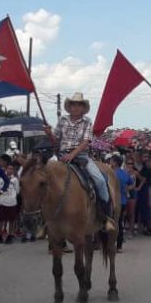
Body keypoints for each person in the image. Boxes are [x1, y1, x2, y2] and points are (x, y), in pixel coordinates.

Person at [43, 92, 117, 231]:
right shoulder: (63, 120)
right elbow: (55, 140)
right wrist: (49, 134)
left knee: (100, 180)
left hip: (81, 157)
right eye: (73, 104)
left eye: (79, 105)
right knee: (43, 180)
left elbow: (85, 142)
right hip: (62, 157)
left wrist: (72, 154)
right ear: (69, 107)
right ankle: (46, 221)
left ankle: (106, 217)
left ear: (83, 108)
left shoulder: (87, 121)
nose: (76, 107)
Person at [111, 154, 134, 252]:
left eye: (111, 161)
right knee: (120, 223)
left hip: (113, 202)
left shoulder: (111, 173)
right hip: (123, 201)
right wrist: (126, 189)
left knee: (111, 223)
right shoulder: (124, 173)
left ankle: (111, 243)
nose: (110, 162)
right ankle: (119, 246)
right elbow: (132, 183)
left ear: (115, 163)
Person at [0, 164, 20, 245]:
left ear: (13, 170)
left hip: (12, 202)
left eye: (11, 169)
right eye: (8, 168)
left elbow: (17, 191)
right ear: (6, 169)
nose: (10, 170)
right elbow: (0, 189)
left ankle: (10, 235)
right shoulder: (1, 178)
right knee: (1, 220)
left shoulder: (15, 180)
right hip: (3, 201)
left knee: (11, 220)